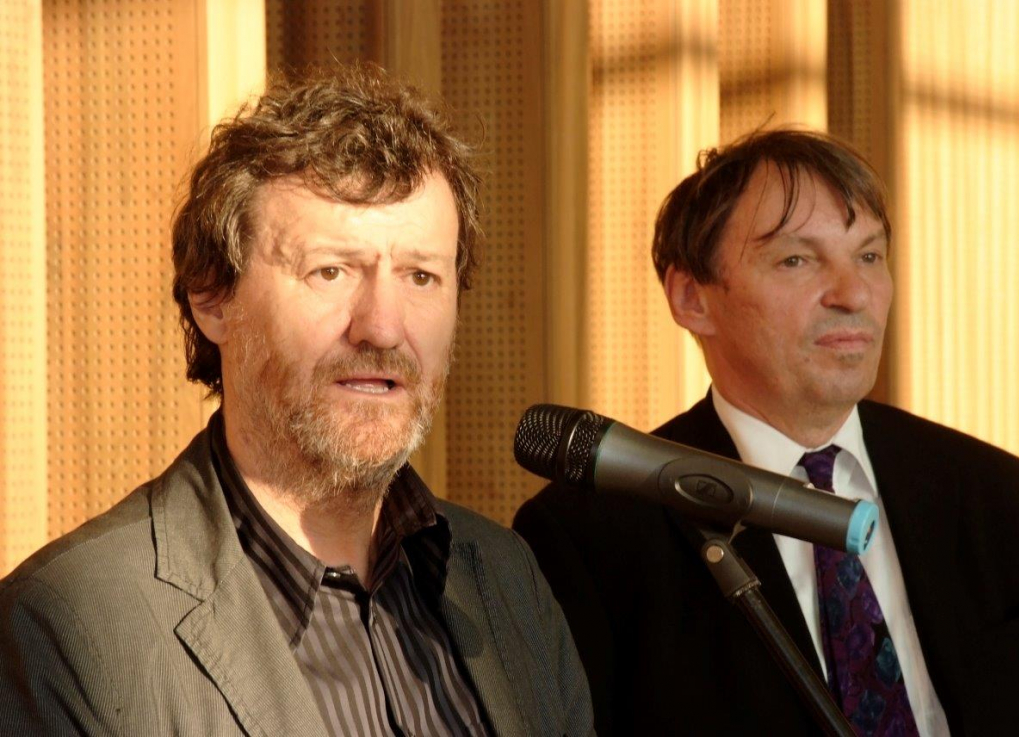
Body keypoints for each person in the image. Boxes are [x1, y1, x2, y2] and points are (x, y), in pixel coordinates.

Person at [0, 66, 593, 736]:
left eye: (421, 276)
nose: (383, 327)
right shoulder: (67, 628)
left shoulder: (508, 580)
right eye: (330, 271)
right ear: (212, 298)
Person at [514, 129, 1019, 736]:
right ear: (691, 298)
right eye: (797, 260)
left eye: (869, 256)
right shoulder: (587, 538)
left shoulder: (1000, 498)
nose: (853, 294)